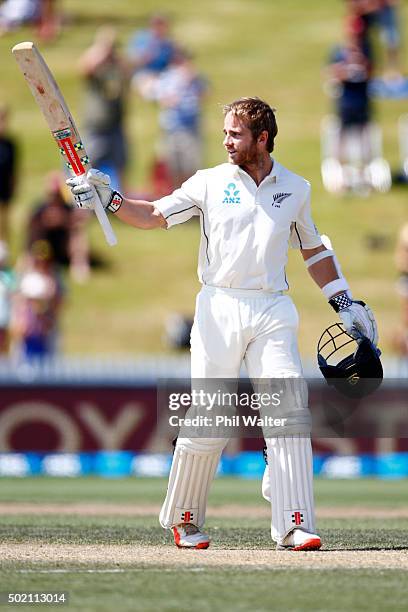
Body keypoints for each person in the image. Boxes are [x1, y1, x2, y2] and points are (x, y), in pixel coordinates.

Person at [66, 97, 378, 551]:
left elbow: (313, 249)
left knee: (289, 412)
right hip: (219, 306)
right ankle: (184, 519)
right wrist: (109, 198)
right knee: (210, 415)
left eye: (235, 134)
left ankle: (294, 524)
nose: (225, 141)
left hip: (272, 307)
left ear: (262, 139)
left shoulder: (295, 187)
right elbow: (153, 214)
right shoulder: (210, 182)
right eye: (225, 133)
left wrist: (344, 301)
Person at [80, 27, 131, 191]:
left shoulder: (117, 66)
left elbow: (129, 72)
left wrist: (115, 57)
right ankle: (86, 202)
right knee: (88, 165)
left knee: (121, 164)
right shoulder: (95, 66)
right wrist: (101, 52)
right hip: (95, 127)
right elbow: (84, 67)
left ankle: (121, 199)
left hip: (116, 125)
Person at [153, 48, 208, 190]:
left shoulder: (195, 77)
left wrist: (192, 79)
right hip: (172, 128)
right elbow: (163, 98)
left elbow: (204, 93)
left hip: (191, 128)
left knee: (191, 167)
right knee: (173, 167)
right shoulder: (167, 77)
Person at [127, 13, 176, 99]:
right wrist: (147, 55)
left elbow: (171, 62)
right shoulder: (141, 38)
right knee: (149, 85)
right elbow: (132, 61)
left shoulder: (168, 43)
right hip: (144, 74)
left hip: (162, 74)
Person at [0, 104, 18, 242]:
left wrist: (13, 188)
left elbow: (13, 170)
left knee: (4, 223)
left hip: (4, 189)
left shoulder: (9, 144)